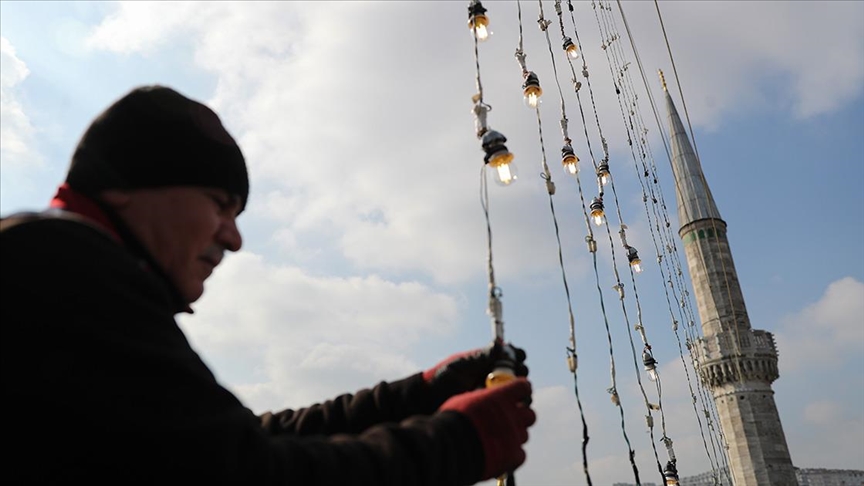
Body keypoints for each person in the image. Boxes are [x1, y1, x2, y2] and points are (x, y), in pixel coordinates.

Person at [0, 85, 535, 485]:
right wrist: (458, 444)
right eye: (219, 205)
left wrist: (421, 393)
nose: (234, 240)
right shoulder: (59, 268)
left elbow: (230, 442)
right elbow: (242, 472)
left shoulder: (65, 270)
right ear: (127, 185)